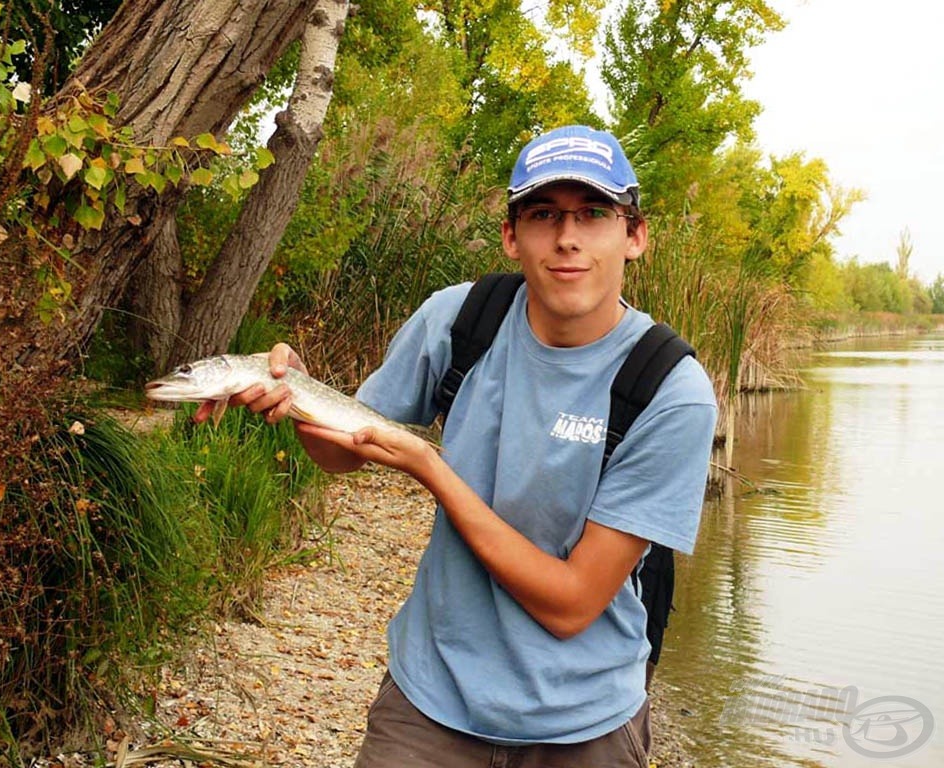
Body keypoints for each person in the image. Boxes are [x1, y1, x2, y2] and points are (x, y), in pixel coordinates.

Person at [195, 124, 718, 767]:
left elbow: (572, 605)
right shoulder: (457, 320)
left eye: (594, 214)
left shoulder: (669, 388)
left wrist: (431, 470)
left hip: (585, 725)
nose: (568, 237)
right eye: (543, 213)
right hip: (430, 702)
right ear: (511, 235)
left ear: (634, 235)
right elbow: (344, 450)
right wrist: (298, 397)